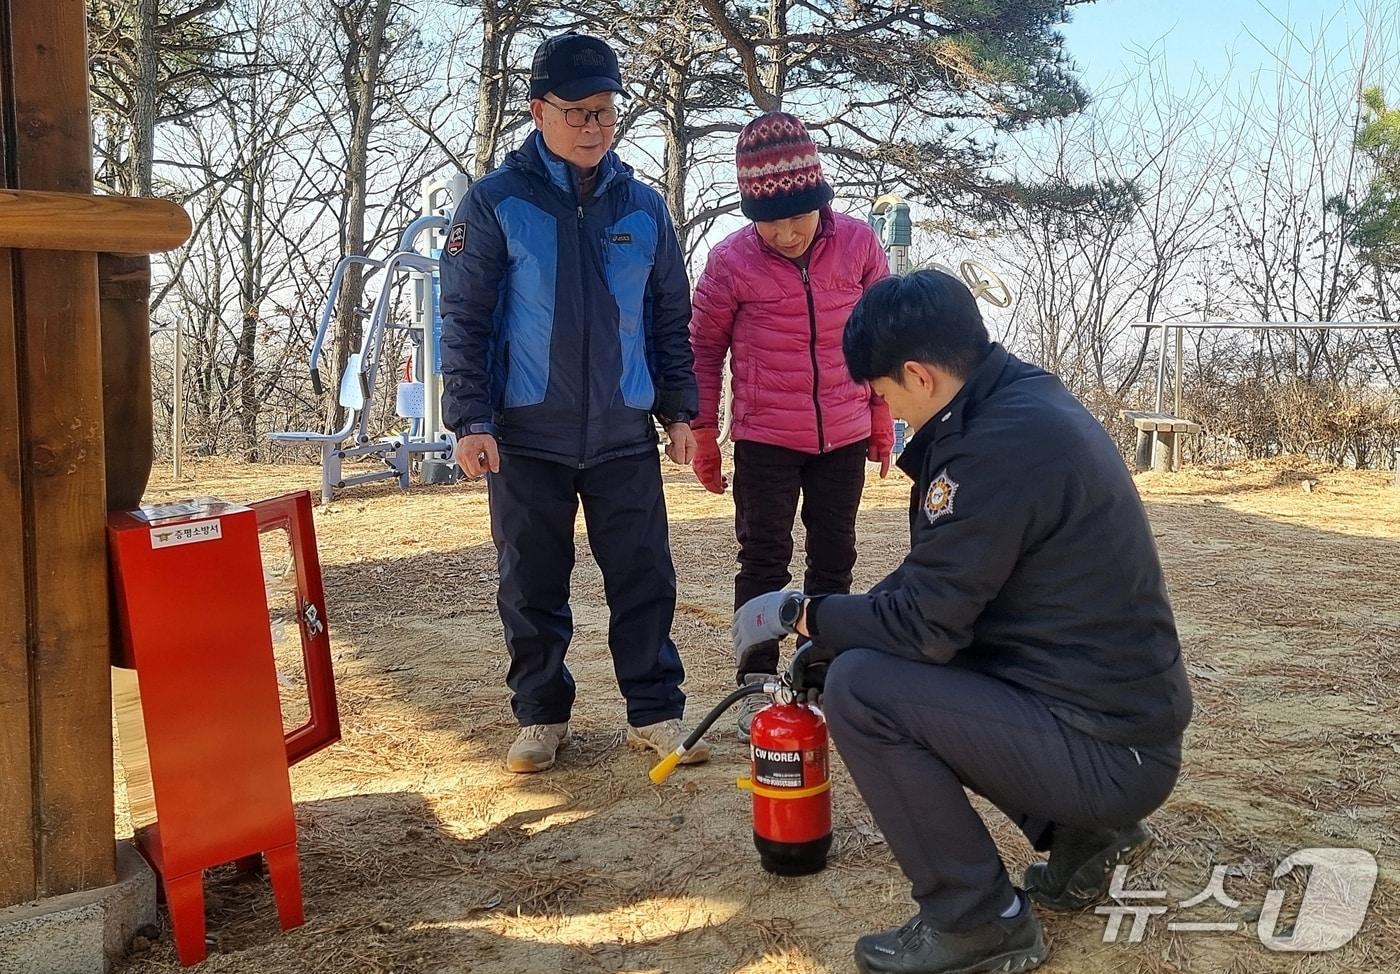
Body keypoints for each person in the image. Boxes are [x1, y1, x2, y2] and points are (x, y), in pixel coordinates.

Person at [731, 270, 1193, 974]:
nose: (886, 411)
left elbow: (924, 627)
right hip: (1113, 728)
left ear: (917, 375)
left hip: (1108, 753)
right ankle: (1085, 837)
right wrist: (835, 624)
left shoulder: (994, 448)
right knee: (877, 663)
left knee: (862, 689)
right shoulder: (1017, 403)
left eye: (882, 394)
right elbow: (940, 589)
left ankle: (977, 918)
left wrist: (813, 617)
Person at [439, 31, 710, 774]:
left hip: (624, 433)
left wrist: (681, 412)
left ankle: (656, 712)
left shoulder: (646, 209)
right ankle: (540, 716)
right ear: (538, 111)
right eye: (578, 112)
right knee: (530, 582)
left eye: (605, 112)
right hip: (527, 437)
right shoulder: (493, 205)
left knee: (645, 576)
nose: (594, 126)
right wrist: (470, 419)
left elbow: (667, 322)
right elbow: (462, 321)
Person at [688, 112, 893, 739]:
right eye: (768, 221)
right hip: (764, 439)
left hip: (844, 433)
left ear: (821, 200)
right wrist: (703, 435)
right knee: (763, 559)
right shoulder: (729, 262)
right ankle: (756, 682)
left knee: (834, 558)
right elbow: (701, 348)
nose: (783, 233)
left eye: (796, 218)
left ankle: (821, 673)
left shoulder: (859, 245)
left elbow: (886, 337)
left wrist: (882, 420)